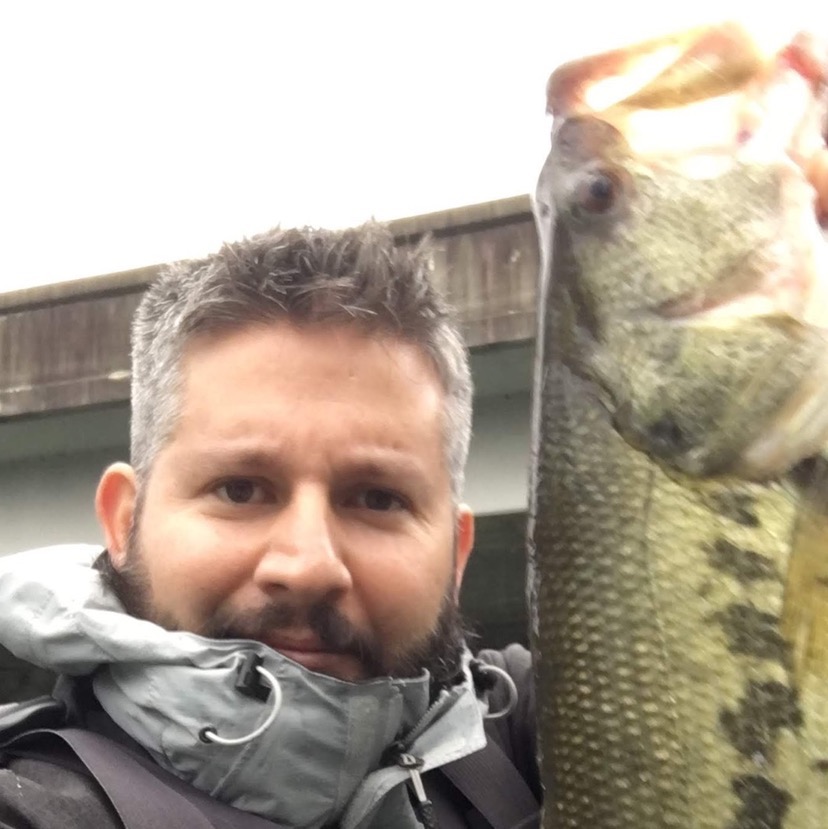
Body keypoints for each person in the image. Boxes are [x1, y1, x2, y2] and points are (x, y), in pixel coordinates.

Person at [0, 223, 541, 829]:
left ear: (456, 556)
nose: (308, 566)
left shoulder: (544, 731)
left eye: (378, 498)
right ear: (125, 522)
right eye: (240, 489)